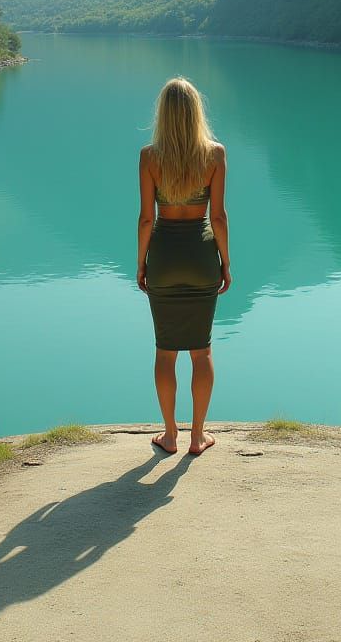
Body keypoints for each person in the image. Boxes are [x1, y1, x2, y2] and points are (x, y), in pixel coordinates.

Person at [137, 77, 230, 457]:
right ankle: (198, 436)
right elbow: (219, 217)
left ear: (163, 113)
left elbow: (146, 219)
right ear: (196, 113)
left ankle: (171, 435)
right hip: (201, 255)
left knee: (165, 351)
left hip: (163, 256)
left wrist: (141, 264)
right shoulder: (214, 154)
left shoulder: (149, 157)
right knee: (201, 351)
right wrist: (225, 263)